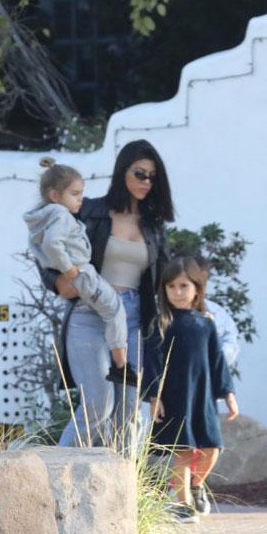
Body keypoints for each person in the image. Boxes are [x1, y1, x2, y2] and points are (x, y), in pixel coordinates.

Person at [55, 139, 174, 448]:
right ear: (123, 171)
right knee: (96, 404)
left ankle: (123, 492)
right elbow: (52, 243)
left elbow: (162, 281)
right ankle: (51, 480)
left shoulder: (154, 227)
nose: (147, 182)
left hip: (134, 320)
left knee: (128, 414)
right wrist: (58, 282)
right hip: (90, 312)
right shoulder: (91, 211)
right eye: (140, 173)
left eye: (153, 176)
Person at [144, 255, 239, 524]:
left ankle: (197, 485)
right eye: (171, 286)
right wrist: (155, 397)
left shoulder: (206, 323)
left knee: (213, 447)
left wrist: (229, 395)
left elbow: (217, 361)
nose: (177, 292)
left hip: (203, 398)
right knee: (182, 451)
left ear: (197, 288)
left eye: (184, 286)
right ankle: (183, 505)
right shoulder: (159, 322)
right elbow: (152, 362)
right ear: (164, 290)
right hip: (175, 398)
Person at [24, 159, 128, 376]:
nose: (81, 198)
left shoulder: (42, 219)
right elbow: (53, 243)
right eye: (75, 193)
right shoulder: (61, 215)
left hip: (78, 273)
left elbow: (40, 248)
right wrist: (68, 268)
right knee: (115, 310)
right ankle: (122, 365)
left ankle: (119, 363)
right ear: (55, 195)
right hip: (81, 273)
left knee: (110, 311)